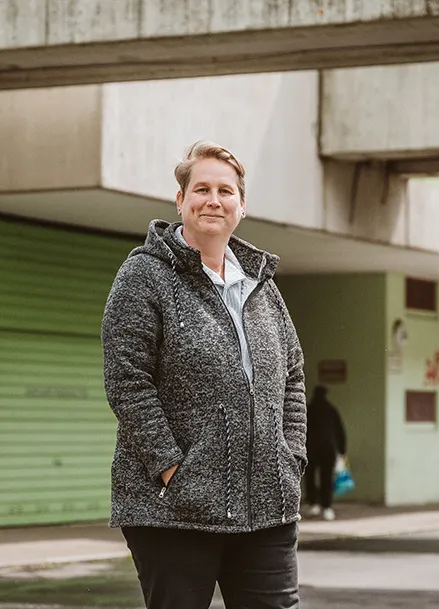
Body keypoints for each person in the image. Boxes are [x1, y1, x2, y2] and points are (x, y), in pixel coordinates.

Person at [101, 141, 307, 609]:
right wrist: (174, 470)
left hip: (266, 507)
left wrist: (290, 457)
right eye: (201, 189)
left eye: (225, 191)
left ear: (241, 205)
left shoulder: (262, 286)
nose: (214, 200)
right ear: (181, 201)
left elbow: (293, 375)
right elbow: (127, 382)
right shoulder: (145, 276)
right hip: (174, 512)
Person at [305, 385, 346, 521]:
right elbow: (340, 431)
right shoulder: (331, 410)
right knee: (326, 478)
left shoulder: (309, 410)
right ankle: (327, 506)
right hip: (328, 450)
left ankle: (313, 503)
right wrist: (342, 450)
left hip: (310, 450)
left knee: (310, 477)